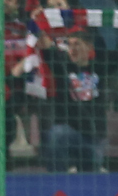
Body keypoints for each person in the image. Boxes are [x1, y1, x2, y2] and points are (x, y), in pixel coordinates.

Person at [37, 29, 115, 173]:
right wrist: (38, 25)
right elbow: (44, 44)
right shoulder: (62, 66)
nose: (72, 48)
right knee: (56, 133)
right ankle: (57, 178)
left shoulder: (101, 65)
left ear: (89, 47)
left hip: (95, 134)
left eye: (77, 44)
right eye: (70, 44)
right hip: (69, 131)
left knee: (91, 175)